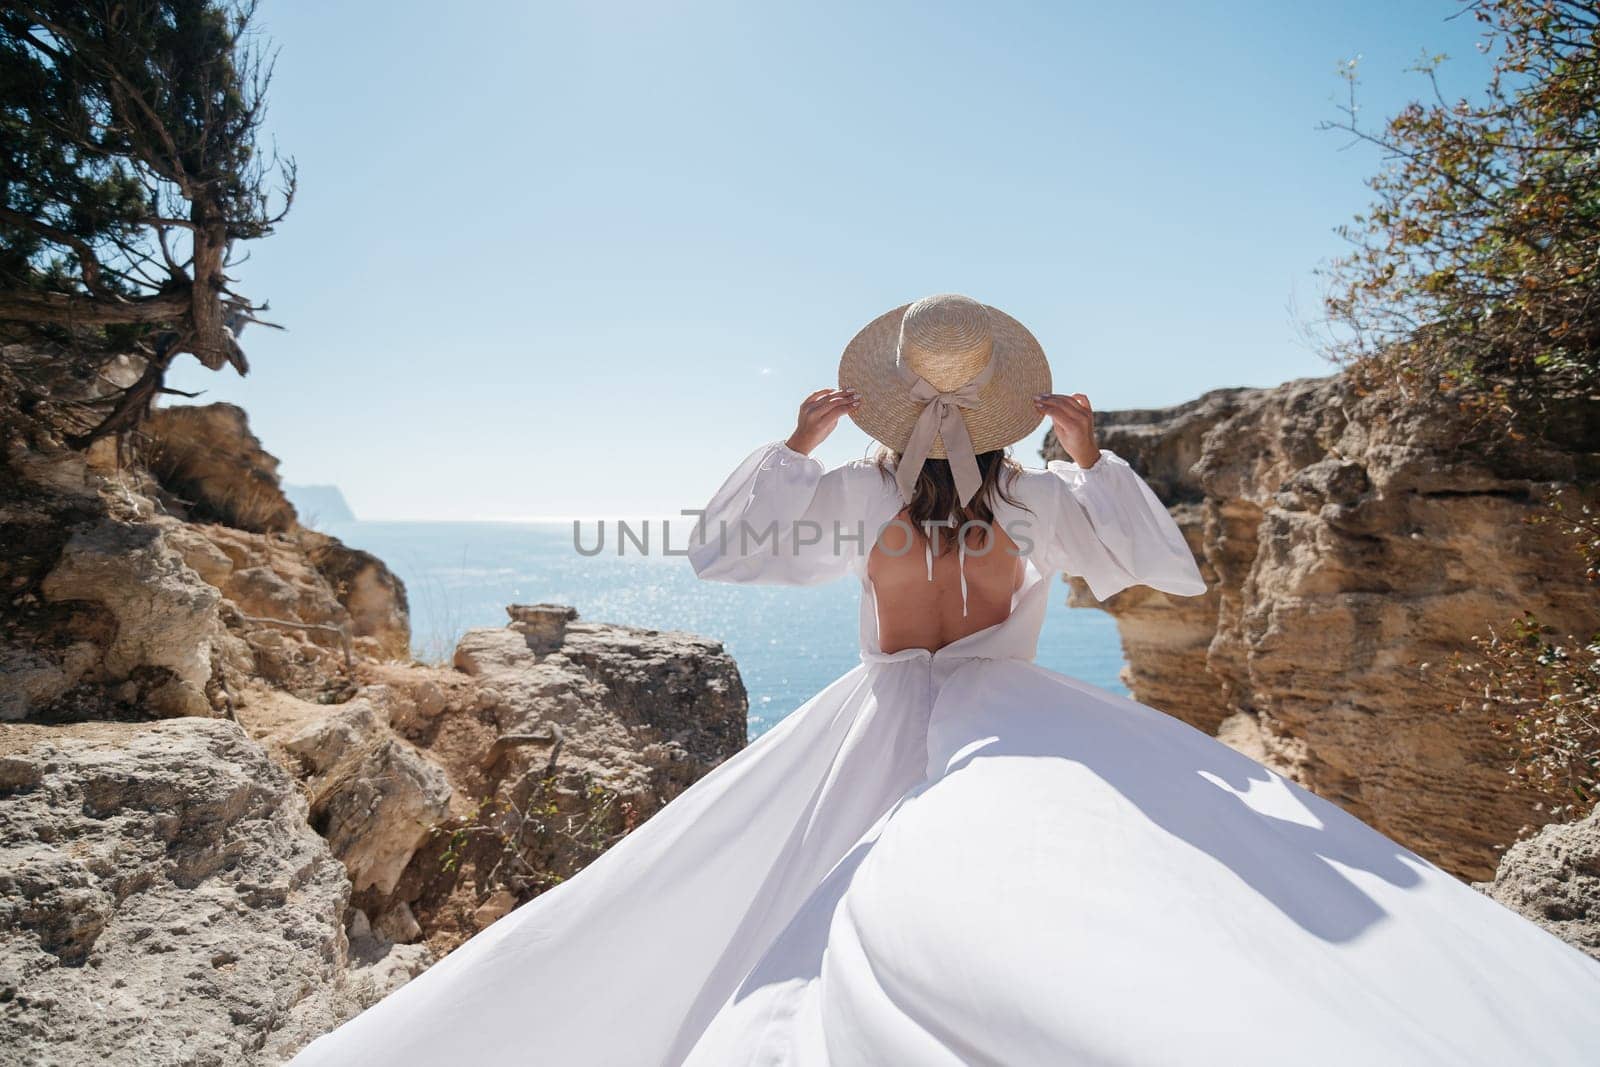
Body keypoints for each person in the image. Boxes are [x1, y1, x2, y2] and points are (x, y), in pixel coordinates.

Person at [292, 294, 1600, 1066]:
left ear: (879, 406)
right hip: (1021, 719)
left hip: (874, 715)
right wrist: (1096, 460)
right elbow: (1170, 574)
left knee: (759, 918)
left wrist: (792, 449)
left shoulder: (859, 493)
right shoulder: (1035, 504)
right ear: (1005, 413)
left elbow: (720, 553)